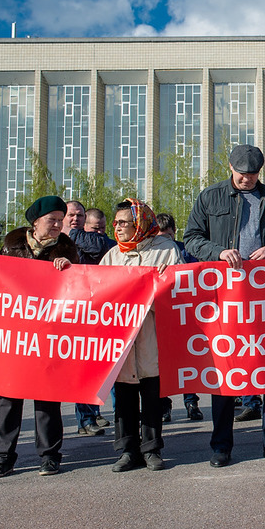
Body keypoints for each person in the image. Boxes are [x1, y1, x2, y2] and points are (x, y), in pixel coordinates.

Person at [183, 144, 265, 467]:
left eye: (252, 175)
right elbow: (191, 237)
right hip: (225, 296)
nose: (246, 180)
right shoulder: (210, 197)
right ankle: (221, 446)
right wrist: (218, 252)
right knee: (224, 369)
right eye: (241, 174)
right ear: (230, 168)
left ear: (259, 173)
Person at [0, 196, 77, 478]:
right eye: (52, 219)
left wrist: (69, 268)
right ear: (35, 222)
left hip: (48, 336)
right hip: (15, 336)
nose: (57, 225)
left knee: (47, 397)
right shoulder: (11, 247)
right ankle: (3, 457)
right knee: (9, 397)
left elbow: (77, 289)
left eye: (60, 220)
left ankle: (50, 455)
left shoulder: (66, 248)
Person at [101, 199, 182, 472]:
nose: (118, 227)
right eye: (116, 223)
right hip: (121, 343)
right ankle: (127, 450)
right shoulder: (112, 255)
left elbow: (180, 292)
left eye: (124, 222)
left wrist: (165, 283)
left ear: (140, 224)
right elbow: (95, 292)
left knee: (151, 396)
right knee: (123, 398)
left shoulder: (166, 251)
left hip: (152, 337)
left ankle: (152, 449)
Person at [63, 200, 112, 434]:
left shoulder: (87, 238)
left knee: (99, 367)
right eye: (71, 215)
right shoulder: (58, 243)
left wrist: (72, 233)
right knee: (83, 369)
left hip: (98, 310)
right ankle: (85, 419)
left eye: (79, 215)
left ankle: (92, 413)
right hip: (71, 312)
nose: (76, 219)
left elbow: (101, 247)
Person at [155, 212, 204, 423]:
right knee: (161, 365)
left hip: (185, 313)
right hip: (161, 315)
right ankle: (164, 407)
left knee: (187, 362)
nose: (165, 241)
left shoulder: (185, 250)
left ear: (174, 233)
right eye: (160, 237)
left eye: (167, 236)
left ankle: (191, 402)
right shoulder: (153, 254)